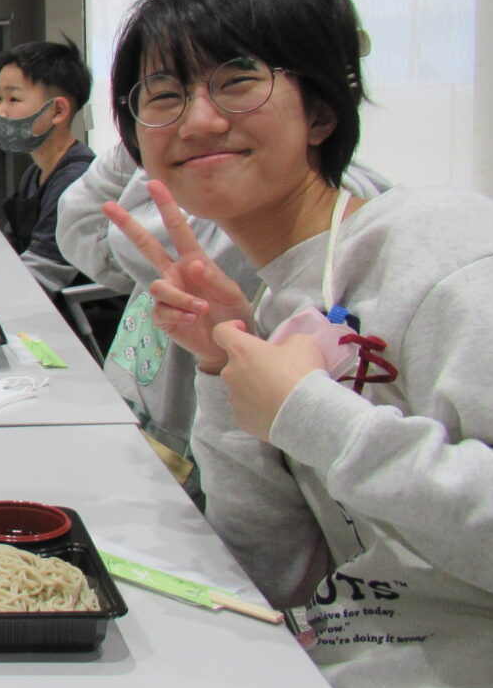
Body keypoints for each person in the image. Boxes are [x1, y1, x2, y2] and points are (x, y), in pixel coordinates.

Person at [101, 0, 493, 688]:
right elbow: (271, 568)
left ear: (319, 108)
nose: (197, 120)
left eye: (237, 80)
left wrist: (313, 412)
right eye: (165, 93)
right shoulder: (271, 294)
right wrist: (232, 364)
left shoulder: (443, 244)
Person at [57, 140, 388, 469]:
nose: (200, 122)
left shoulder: (258, 195)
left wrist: (150, 147)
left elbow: (117, 243)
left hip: (192, 430)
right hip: (157, 396)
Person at [0, 39, 123, 342]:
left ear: (58, 110)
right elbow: (11, 249)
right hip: (44, 313)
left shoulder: (76, 179)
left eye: (13, 100)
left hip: (77, 327)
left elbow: (45, 273)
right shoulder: (35, 173)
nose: (0, 111)